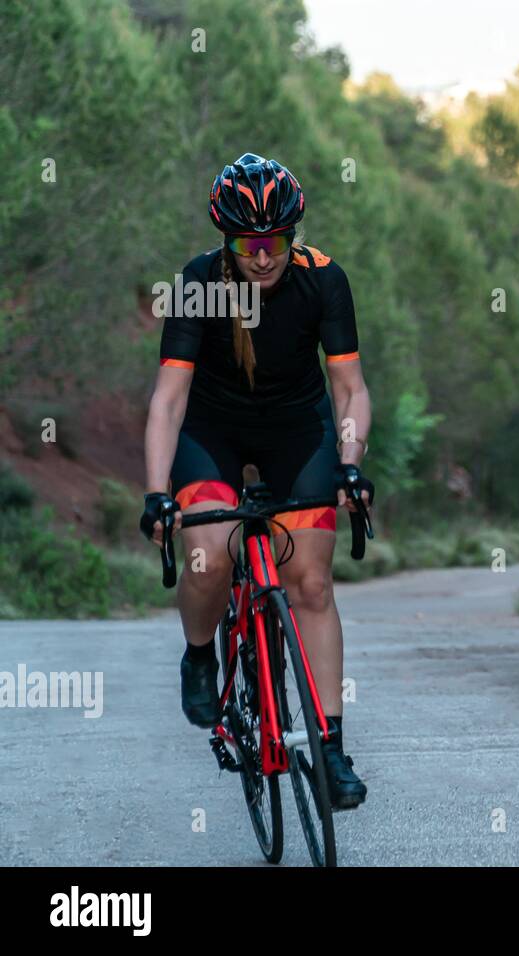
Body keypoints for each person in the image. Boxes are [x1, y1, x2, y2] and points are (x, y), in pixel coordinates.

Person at [140, 153, 373, 808]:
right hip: (210, 432)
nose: (263, 257)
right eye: (248, 244)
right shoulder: (196, 283)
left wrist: (351, 464)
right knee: (209, 557)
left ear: (291, 237)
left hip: (297, 430)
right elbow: (166, 401)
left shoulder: (323, 281)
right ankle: (198, 654)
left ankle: (329, 747)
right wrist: (158, 490)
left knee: (312, 581)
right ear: (227, 239)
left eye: (274, 243)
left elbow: (351, 389)